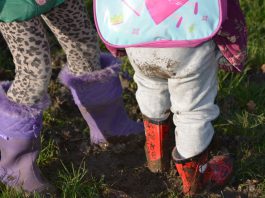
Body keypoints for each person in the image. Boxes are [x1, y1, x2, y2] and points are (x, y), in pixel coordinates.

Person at [97, 0, 247, 196]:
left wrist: (115, 42)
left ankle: (157, 155)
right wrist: (233, 46)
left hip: (136, 30)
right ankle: (196, 178)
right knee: (193, 109)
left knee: (150, 85)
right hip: (189, 34)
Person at [0, 0, 143, 195]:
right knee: (35, 70)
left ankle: (110, 127)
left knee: (84, 45)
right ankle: (16, 167)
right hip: (14, 4)